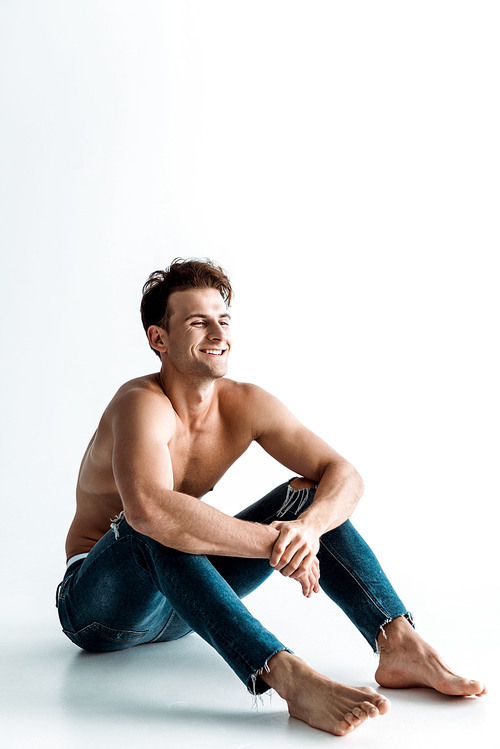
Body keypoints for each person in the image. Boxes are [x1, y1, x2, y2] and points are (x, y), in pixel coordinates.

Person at [56, 258, 486, 737]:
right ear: (159, 339)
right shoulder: (140, 404)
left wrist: (306, 530)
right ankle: (287, 677)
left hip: (186, 606)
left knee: (307, 499)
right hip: (102, 609)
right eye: (198, 322)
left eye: (223, 319)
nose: (217, 332)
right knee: (149, 524)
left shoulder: (245, 403)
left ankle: (398, 642)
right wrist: (273, 544)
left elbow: (344, 474)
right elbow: (148, 509)